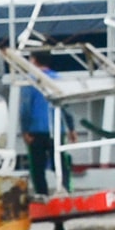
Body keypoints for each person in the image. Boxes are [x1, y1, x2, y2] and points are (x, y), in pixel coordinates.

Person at [18, 55, 73, 195]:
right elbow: (65, 105)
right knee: (60, 162)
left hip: (36, 130)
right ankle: (66, 190)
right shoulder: (58, 79)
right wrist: (71, 128)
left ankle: (41, 194)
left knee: (37, 167)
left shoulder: (30, 80)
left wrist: (24, 129)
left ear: (34, 60)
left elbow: (25, 107)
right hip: (57, 128)